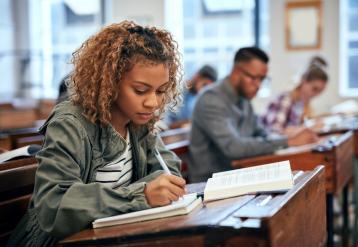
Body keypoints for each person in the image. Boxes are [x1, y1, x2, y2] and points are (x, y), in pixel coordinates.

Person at [7, 21, 186, 246]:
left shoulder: (139, 121)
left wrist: (153, 189)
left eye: (161, 91)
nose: (153, 103)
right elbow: (54, 206)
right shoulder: (70, 123)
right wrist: (141, 194)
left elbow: (169, 172)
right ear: (110, 82)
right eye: (140, 90)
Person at [188, 47, 318, 182]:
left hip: (239, 176)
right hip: (210, 183)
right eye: (254, 78)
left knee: (300, 178)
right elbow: (234, 148)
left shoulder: (244, 100)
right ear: (237, 72)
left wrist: (289, 137)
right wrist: (289, 141)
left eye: (262, 79)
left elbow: (262, 133)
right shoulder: (210, 99)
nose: (258, 85)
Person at [260, 56, 328, 134]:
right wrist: (306, 128)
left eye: (320, 91)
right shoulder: (286, 99)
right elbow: (275, 132)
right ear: (303, 81)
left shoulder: (302, 103)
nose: (316, 94)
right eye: (314, 89)